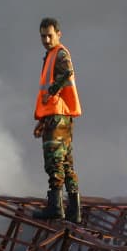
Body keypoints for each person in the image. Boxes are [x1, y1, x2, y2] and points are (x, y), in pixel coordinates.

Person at [32, 17, 83, 223]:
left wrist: (51, 92)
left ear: (58, 34)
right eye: (43, 36)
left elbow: (67, 73)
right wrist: (42, 121)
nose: (46, 39)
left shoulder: (59, 53)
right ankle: (75, 211)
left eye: (49, 35)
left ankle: (56, 208)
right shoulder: (52, 55)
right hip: (59, 117)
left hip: (58, 117)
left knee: (54, 163)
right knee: (67, 164)